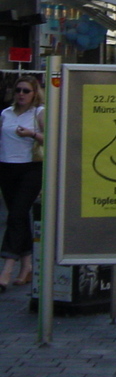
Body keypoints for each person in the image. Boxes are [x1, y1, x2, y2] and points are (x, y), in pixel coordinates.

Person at [0, 76, 43, 290]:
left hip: (30, 169)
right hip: (7, 167)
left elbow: (54, 137)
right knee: (19, 217)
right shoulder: (5, 114)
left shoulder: (39, 113)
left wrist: (32, 134)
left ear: (35, 93)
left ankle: (6, 269)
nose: (21, 94)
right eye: (18, 90)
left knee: (15, 215)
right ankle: (27, 266)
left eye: (26, 90)